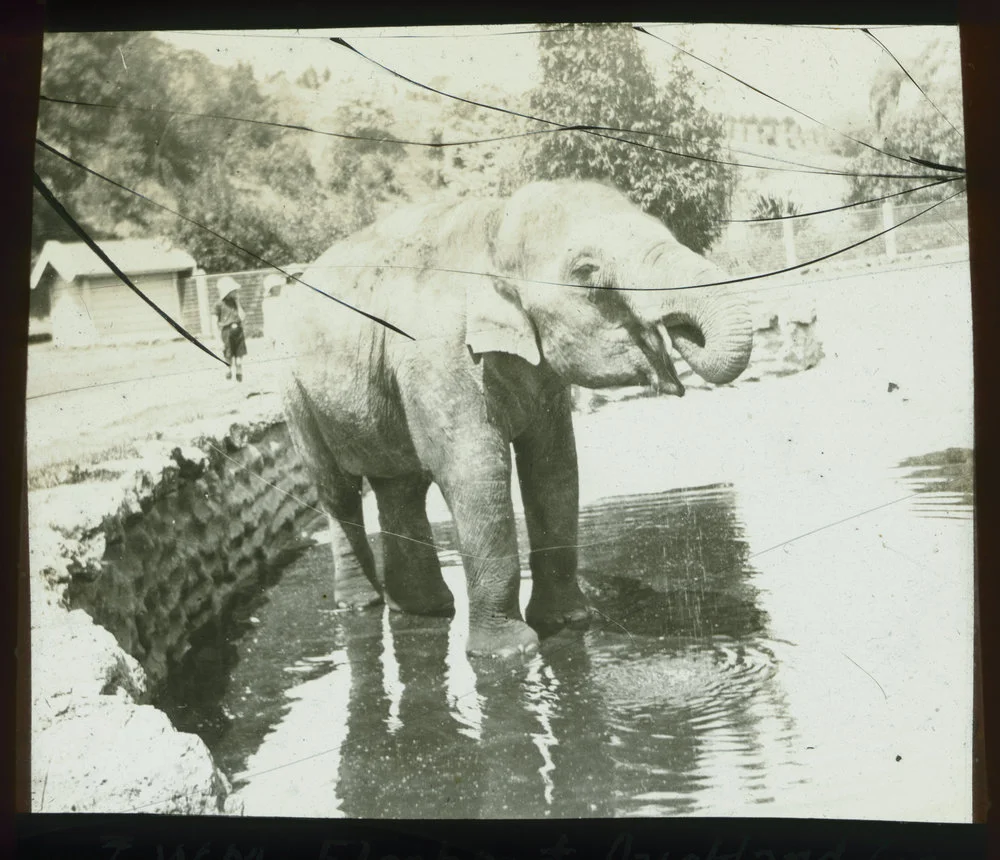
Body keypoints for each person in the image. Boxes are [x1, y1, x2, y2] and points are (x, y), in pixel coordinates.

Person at [214, 276, 247, 382]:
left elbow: (242, 317)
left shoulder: (236, 303)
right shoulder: (219, 304)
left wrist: (237, 302)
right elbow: (214, 322)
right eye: (233, 290)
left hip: (238, 330)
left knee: (239, 354)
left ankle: (239, 373)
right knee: (228, 354)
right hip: (226, 331)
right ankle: (228, 370)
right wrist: (218, 339)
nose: (236, 292)